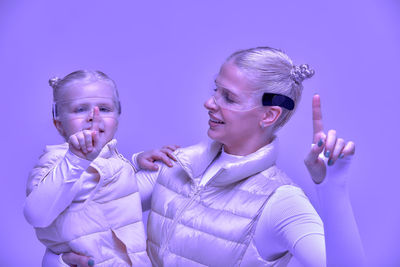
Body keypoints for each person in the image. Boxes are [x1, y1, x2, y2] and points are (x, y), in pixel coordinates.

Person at [49, 47, 366, 266]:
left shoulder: (280, 202)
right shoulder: (176, 165)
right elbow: (74, 216)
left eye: (228, 97)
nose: (209, 103)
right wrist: (62, 260)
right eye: (216, 90)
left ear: (268, 115)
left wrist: (333, 187)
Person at [23, 70, 176, 267]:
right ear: (59, 124)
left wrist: (136, 163)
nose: (93, 116)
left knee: (172, 167)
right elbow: (36, 214)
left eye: (104, 109)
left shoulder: (113, 158)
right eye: (80, 109)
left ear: (117, 120)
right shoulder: (57, 160)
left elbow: (111, 196)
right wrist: (75, 159)